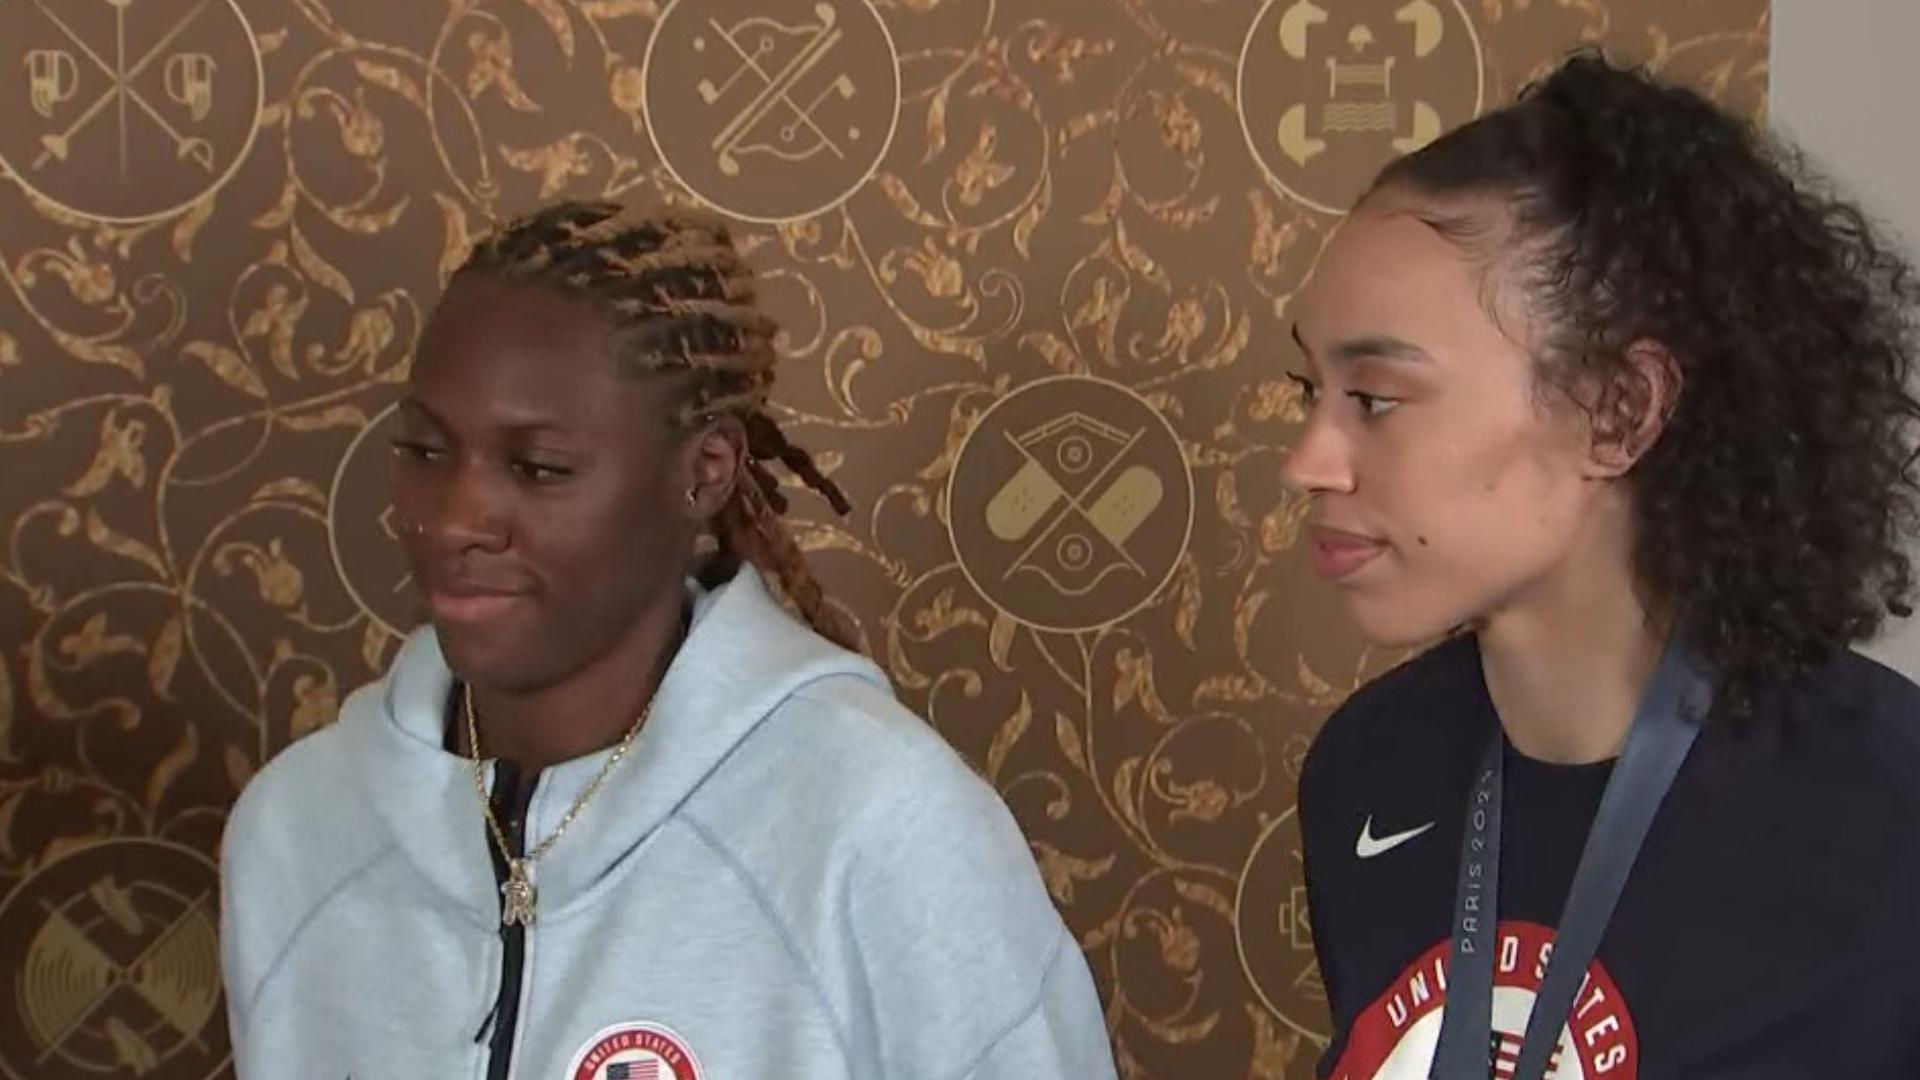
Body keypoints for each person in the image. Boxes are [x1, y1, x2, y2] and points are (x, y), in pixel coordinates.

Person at [219, 200, 1118, 1080]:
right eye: (424, 452)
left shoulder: (879, 825)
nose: (456, 520)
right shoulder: (299, 831)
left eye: (539, 469)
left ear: (704, 473)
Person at [1283, 52, 1920, 1079]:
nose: (1307, 459)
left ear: (1619, 411)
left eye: (1377, 398)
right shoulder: (1366, 768)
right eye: (1305, 390)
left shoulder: (1888, 816)